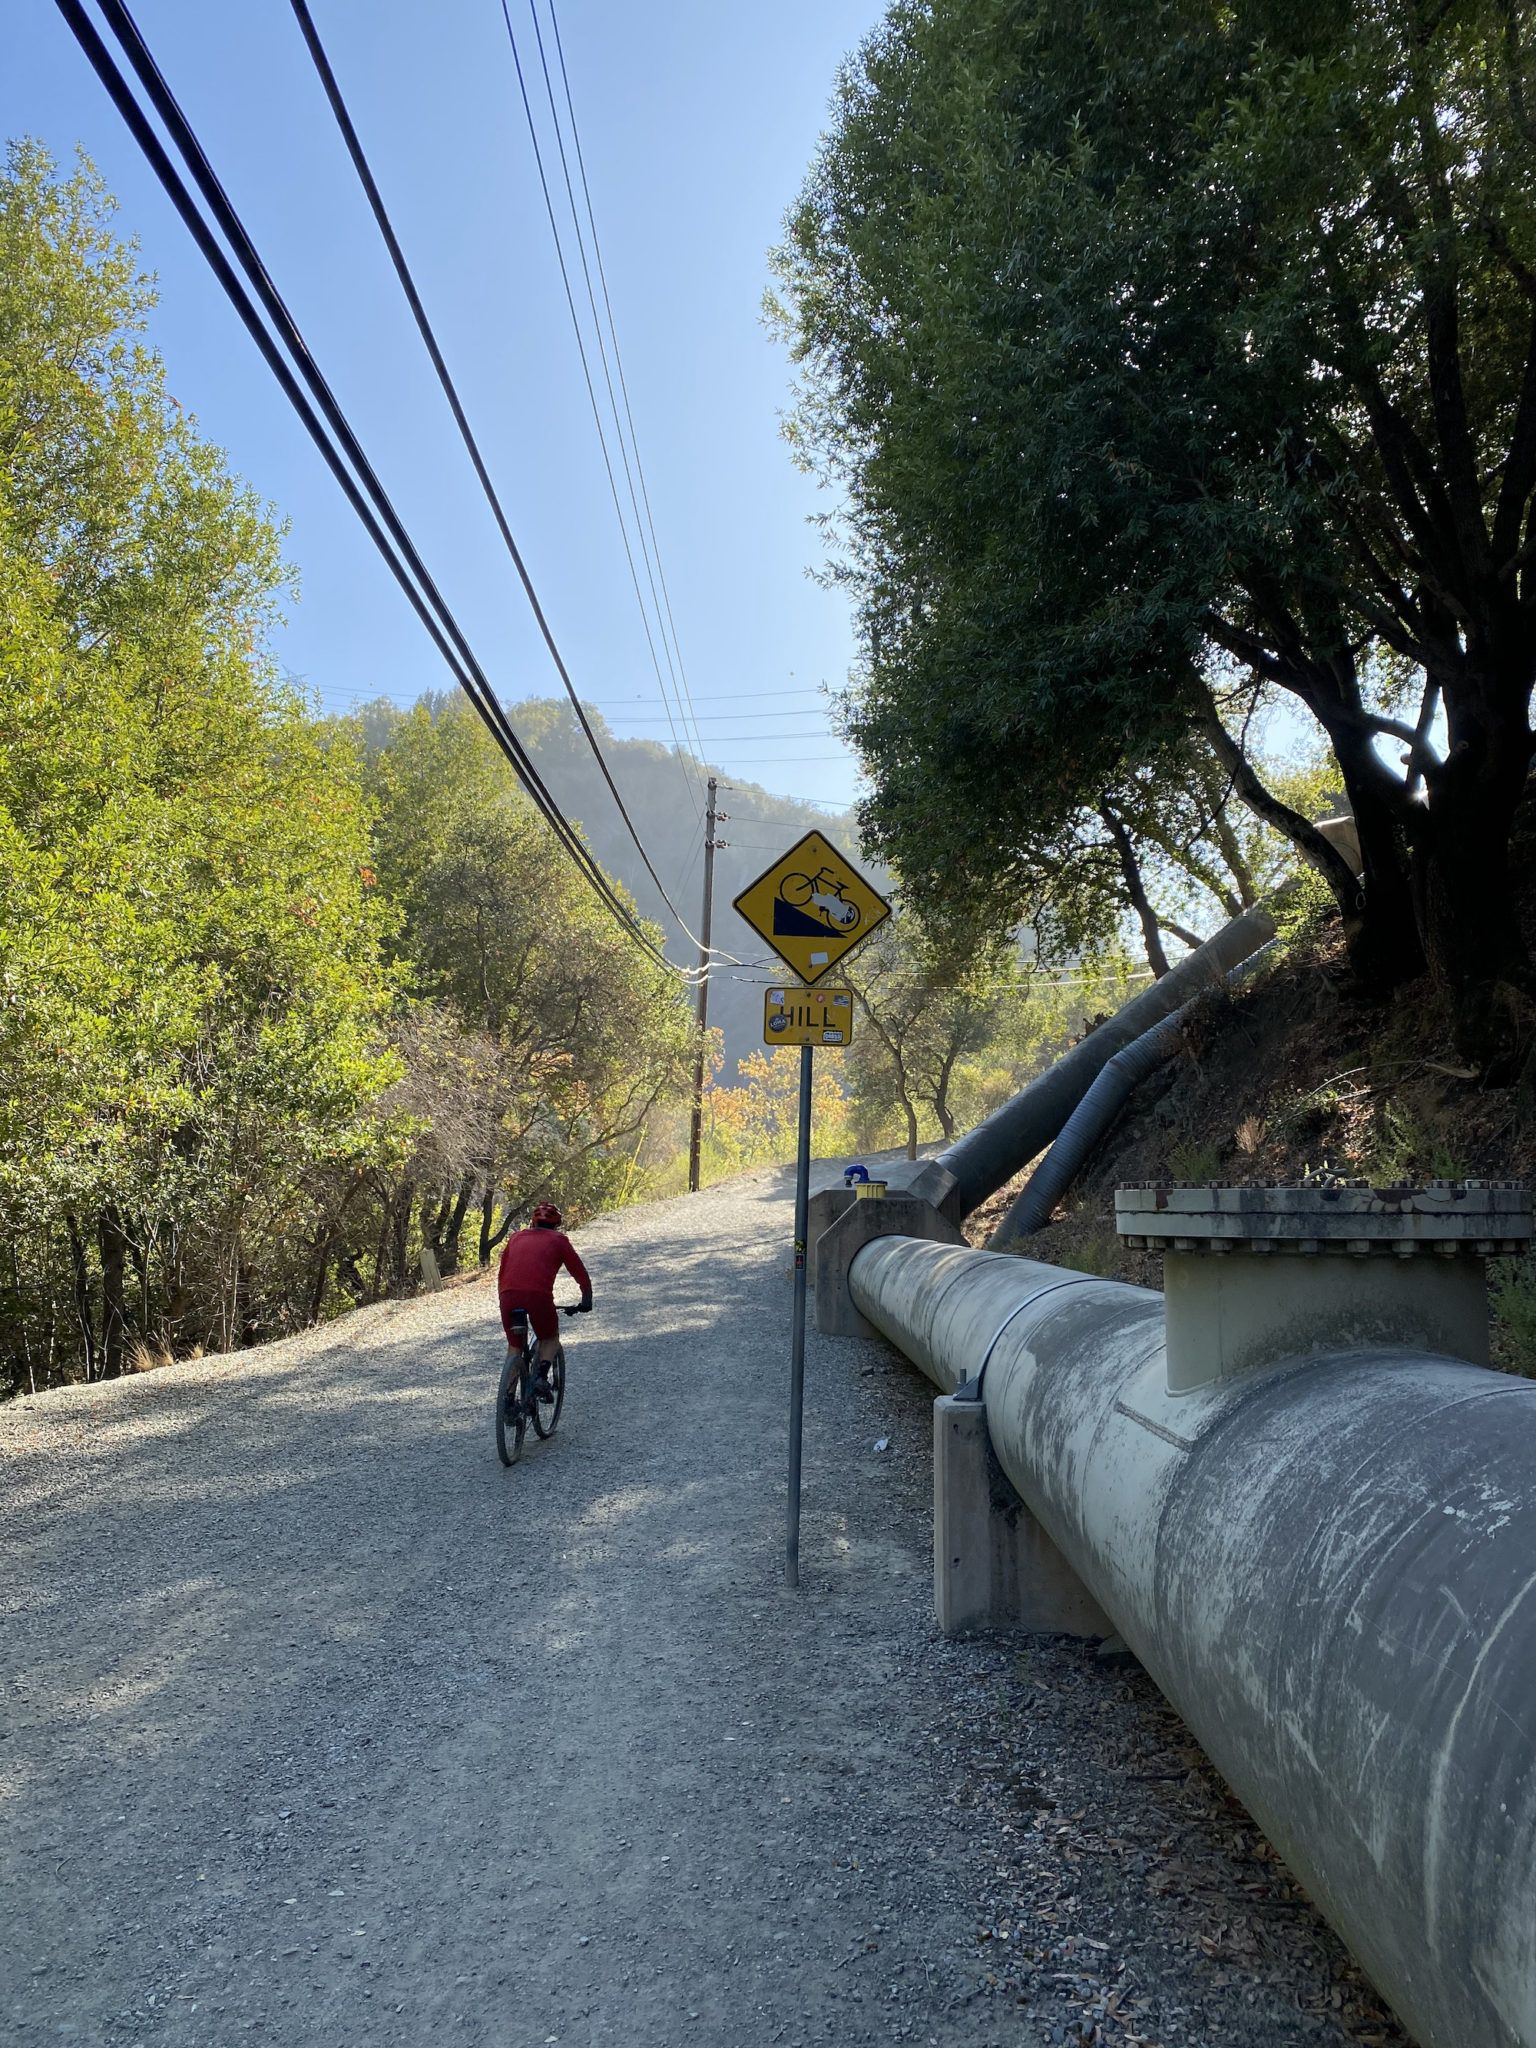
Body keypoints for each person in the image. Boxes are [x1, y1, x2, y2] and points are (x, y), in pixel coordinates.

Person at [496, 1201, 592, 1396]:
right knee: (550, 1337)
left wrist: (505, 1297)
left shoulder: (515, 1237)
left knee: (515, 1346)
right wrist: (586, 1299)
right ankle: (540, 1376)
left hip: (507, 1295)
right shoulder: (559, 1240)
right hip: (538, 1297)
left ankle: (507, 1399)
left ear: (533, 1223)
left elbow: (503, 1271)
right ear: (556, 1225)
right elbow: (579, 1272)